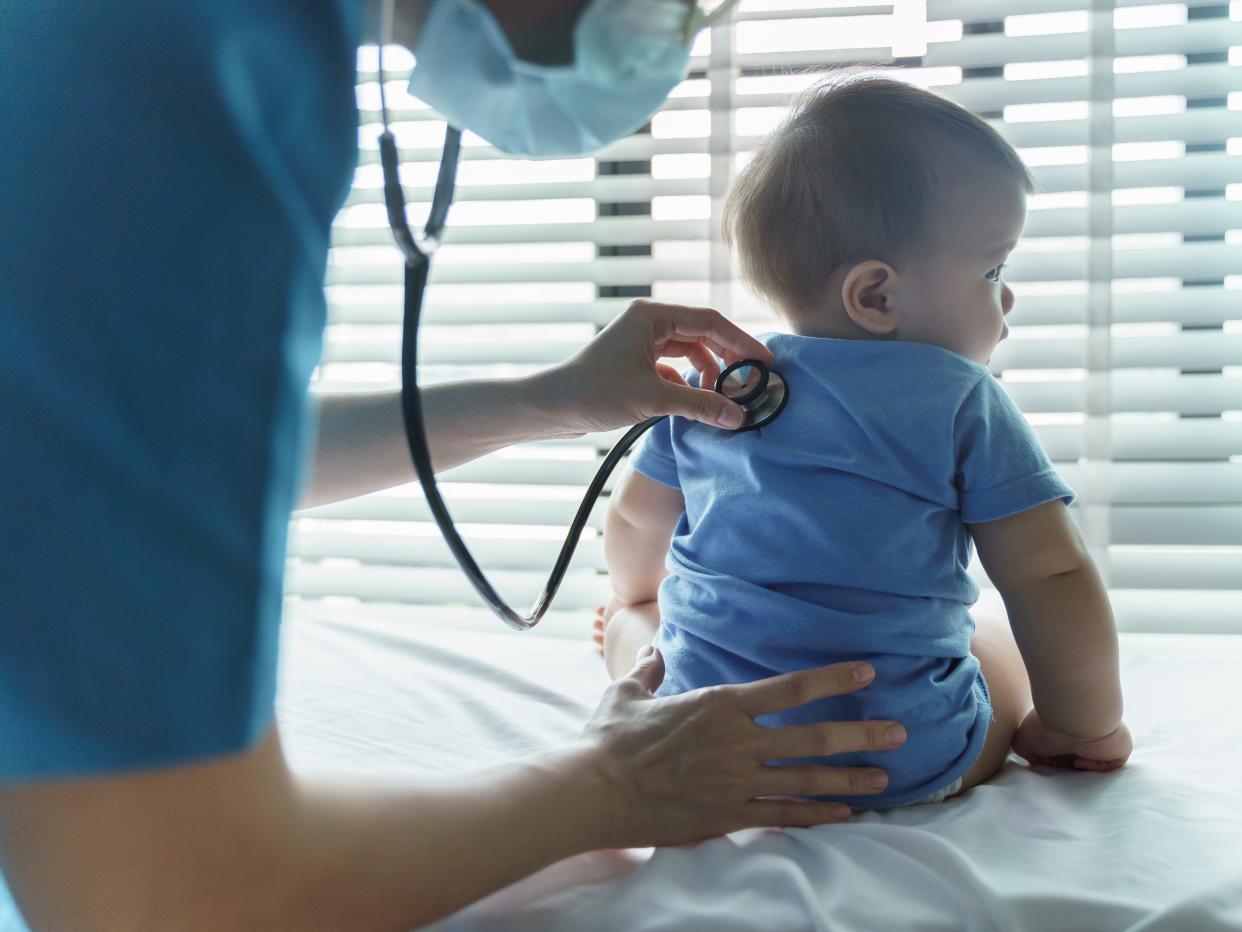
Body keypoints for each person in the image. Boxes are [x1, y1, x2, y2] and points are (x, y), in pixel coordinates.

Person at [0, 4, 911, 930]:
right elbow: (174, 895)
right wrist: (613, 784)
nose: (675, 30)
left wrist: (548, 398)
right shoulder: (182, 54)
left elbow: (135, 451)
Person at [594, 74, 1133, 810]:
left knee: (640, 634)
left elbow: (632, 519)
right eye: (993, 270)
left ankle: (623, 633)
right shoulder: (960, 400)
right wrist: (1083, 726)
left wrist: (636, 597)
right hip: (896, 758)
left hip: (705, 747)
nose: (1006, 299)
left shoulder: (719, 384)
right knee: (991, 641)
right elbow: (1053, 576)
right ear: (876, 296)